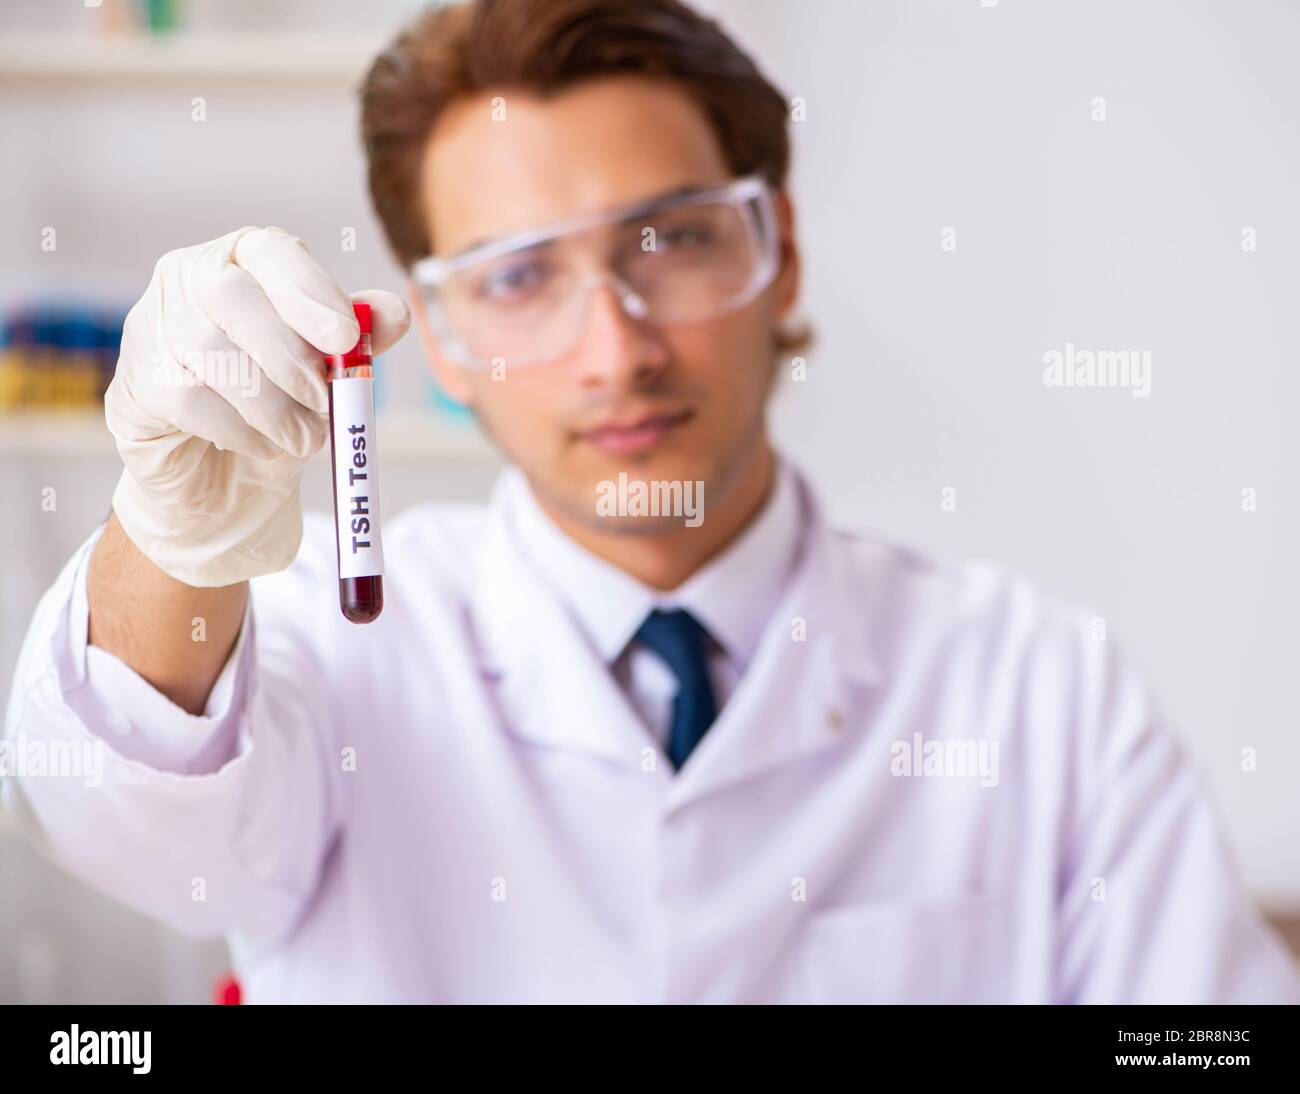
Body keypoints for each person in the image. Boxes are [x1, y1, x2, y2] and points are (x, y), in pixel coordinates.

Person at [4, 0, 1298, 1004]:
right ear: (437, 339)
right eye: (518, 278)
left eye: (670, 239)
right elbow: (117, 815)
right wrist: (170, 539)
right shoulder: (341, 654)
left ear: (777, 248)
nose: (614, 350)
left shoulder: (1036, 688)